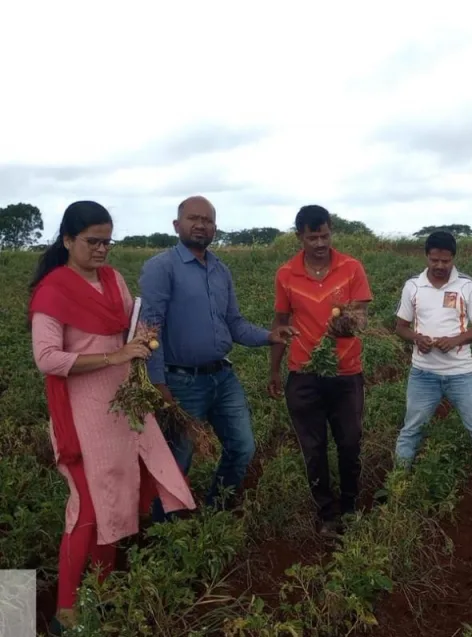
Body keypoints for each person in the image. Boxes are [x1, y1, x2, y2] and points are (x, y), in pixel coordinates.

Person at [28, 201, 196, 634]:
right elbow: (47, 358)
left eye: (108, 241)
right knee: (86, 506)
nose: (102, 249)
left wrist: (139, 338)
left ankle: (100, 592)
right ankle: (65, 607)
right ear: (68, 240)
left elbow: (122, 331)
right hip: (82, 411)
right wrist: (113, 354)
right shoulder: (53, 290)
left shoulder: (114, 280)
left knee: (118, 499)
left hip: (121, 407)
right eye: (93, 241)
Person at [139, 195, 295, 521]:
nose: (201, 225)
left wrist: (269, 336)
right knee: (177, 459)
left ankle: (215, 512)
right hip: (180, 381)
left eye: (208, 220)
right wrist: (157, 383)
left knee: (242, 447)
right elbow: (149, 330)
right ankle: (164, 534)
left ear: (215, 227)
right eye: (194, 218)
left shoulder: (220, 270)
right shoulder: (161, 268)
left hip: (222, 377)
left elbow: (234, 323)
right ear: (177, 225)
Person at [269, 205, 372, 538]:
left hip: (345, 373)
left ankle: (351, 506)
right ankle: (327, 513)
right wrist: (274, 369)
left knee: (350, 443)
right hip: (303, 374)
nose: (319, 243)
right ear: (299, 236)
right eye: (312, 237)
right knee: (313, 449)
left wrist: (348, 322)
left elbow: (361, 315)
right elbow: (281, 323)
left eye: (325, 235)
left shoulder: (351, 267)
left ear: (331, 233)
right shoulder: (286, 274)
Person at [393, 230, 472, 503]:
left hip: (461, 372)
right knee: (411, 428)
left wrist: (456, 340)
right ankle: (397, 483)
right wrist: (417, 338)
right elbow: (400, 327)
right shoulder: (413, 286)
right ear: (426, 257)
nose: (439, 266)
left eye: (445, 261)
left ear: (453, 258)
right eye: (434, 260)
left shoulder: (466, 286)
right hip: (423, 373)